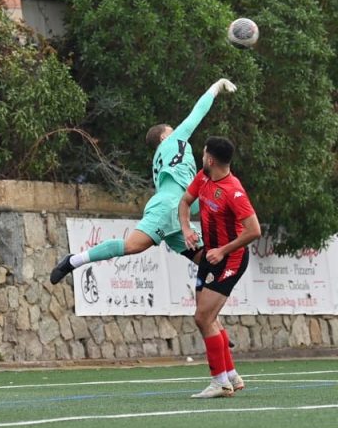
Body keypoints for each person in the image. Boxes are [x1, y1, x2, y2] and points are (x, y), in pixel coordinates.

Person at [50, 78, 238, 284]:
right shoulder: (175, 141)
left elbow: (190, 193)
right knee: (132, 246)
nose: (176, 131)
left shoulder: (164, 158)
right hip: (168, 208)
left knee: (211, 260)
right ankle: (74, 260)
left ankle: (210, 304)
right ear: (164, 137)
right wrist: (216, 87)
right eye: (171, 130)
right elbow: (198, 112)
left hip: (176, 215)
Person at [179, 137, 260, 398]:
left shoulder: (233, 191)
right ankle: (231, 376)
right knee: (208, 317)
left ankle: (220, 383)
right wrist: (186, 228)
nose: (201, 157)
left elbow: (254, 230)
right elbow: (184, 202)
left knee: (203, 318)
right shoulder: (203, 178)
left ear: (211, 159)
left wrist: (223, 250)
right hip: (210, 256)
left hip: (230, 259)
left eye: (204, 154)